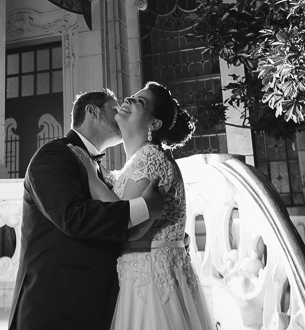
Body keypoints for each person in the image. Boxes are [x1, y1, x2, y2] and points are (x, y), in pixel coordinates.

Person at [8, 89, 166, 330]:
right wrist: (145, 208)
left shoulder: (98, 168)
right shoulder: (54, 155)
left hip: (90, 305)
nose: (120, 113)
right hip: (53, 308)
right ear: (92, 111)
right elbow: (72, 217)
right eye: (114, 110)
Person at [70, 81, 214, 330]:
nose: (128, 100)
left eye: (140, 101)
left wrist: (92, 179)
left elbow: (125, 224)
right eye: (133, 96)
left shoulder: (152, 159)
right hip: (138, 278)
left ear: (154, 124)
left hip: (151, 285)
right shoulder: (135, 163)